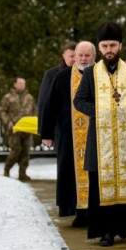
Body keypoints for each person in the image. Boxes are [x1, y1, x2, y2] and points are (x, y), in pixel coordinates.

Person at [73, 22, 126, 247]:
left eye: (113, 45)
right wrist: (99, 110)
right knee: (101, 184)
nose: (109, 50)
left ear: (120, 46)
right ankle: (105, 231)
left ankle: (123, 226)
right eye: (105, 45)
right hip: (99, 141)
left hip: (125, 138)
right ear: (100, 47)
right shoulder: (90, 73)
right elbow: (79, 100)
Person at [40, 41, 96, 224]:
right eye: (80, 55)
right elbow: (50, 105)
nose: (83, 59)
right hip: (69, 133)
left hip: (97, 134)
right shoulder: (63, 76)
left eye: (87, 55)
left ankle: (96, 212)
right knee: (70, 173)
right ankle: (77, 212)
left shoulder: (101, 74)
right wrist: (46, 132)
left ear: (94, 57)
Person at [0, 77, 37, 181]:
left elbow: (35, 111)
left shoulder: (29, 98)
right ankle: (7, 169)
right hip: (14, 129)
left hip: (27, 129)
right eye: (19, 83)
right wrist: (7, 121)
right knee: (16, 150)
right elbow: (1, 110)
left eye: (23, 83)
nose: (22, 85)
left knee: (26, 150)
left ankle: (22, 173)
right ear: (15, 84)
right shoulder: (8, 97)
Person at [37, 42, 76, 135]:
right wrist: (44, 131)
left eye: (76, 56)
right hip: (60, 128)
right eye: (71, 56)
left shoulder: (86, 73)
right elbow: (44, 103)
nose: (74, 59)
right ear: (64, 56)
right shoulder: (52, 74)